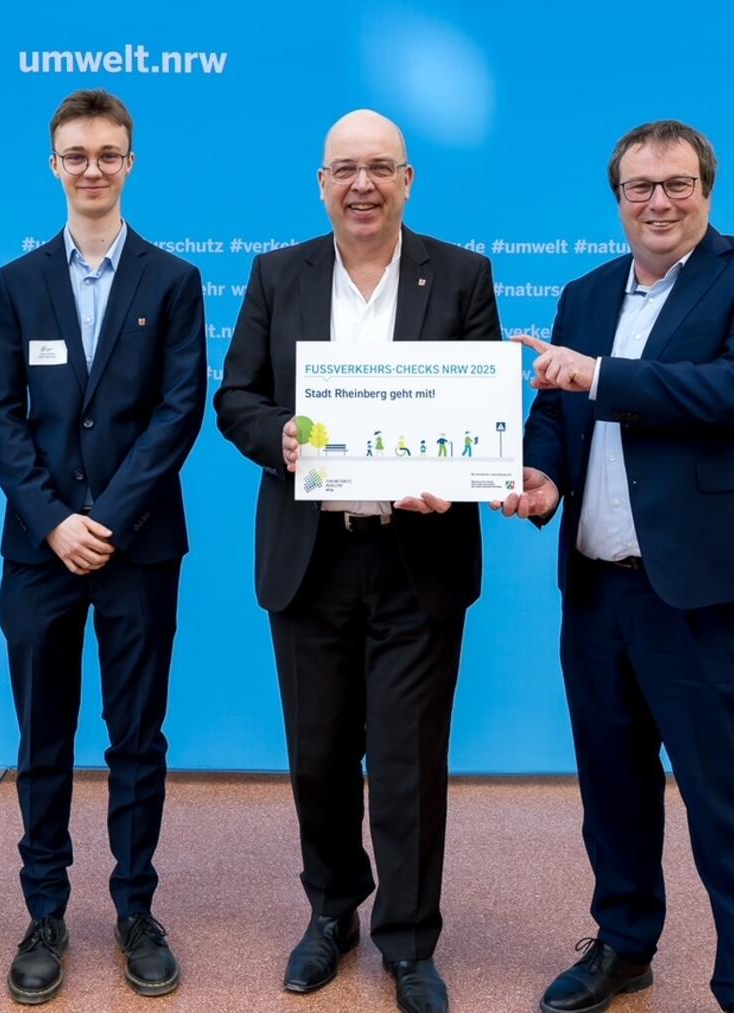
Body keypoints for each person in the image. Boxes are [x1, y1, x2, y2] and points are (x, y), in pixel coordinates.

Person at [496, 120, 734, 1013]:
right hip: (598, 591)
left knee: (727, 800)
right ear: (619, 198)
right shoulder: (585, 292)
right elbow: (555, 417)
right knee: (614, 790)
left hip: (704, 594)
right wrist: (540, 475)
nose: (659, 202)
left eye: (677, 184)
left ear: (707, 190)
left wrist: (597, 377)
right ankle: (626, 943)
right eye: (641, 187)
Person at [214, 109, 499, 1013]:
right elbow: (236, 398)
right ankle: (332, 910)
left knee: (411, 759)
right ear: (322, 181)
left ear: (408, 179)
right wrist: (282, 437)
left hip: (419, 556)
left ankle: (409, 941)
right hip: (313, 556)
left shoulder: (460, 274)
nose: (362, 184)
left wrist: (454, 476)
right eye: (346, 169)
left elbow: (483, 409)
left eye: (380, 167)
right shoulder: (278, 273)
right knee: (320, 753)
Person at [0, 88, 206, 1004]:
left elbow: (178, 410)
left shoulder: (172, 279)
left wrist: (103, 518)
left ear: (130, 162)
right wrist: (53, 521)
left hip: (138, 549)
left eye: (108, 153)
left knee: (136, 737)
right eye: (76, 154)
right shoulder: (18, 282)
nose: (92, 169)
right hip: (42, 552)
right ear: (54, 165)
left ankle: (134, 908)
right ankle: (44, 912)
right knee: (43, 738)